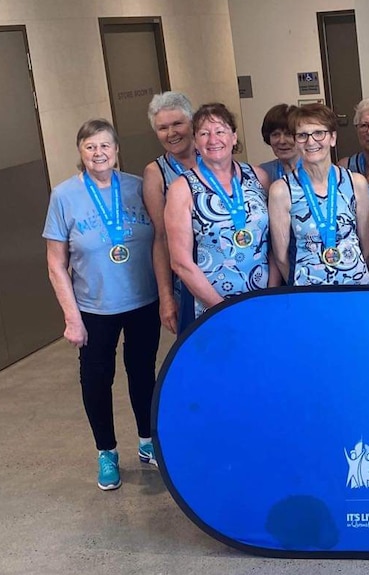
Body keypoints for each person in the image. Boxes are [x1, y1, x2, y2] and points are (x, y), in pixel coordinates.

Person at [43, 119, 161, 491]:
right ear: (80, 152)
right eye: (90, 147)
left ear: (116, 150)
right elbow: (55, 263)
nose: (99, 154)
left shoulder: (137, 188)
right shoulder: (64, 196)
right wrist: (71, 317)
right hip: (94, 307)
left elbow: (159, 238)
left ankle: (147, 442)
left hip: (142, 300)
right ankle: (106, 452)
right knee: (97, 379)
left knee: (143, 373)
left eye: (105, 146)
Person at [165, 103, 277, 329]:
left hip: (262, 301)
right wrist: (223, 310)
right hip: (211, 308)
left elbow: (273, 244)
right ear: (196, 142)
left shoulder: (259, 177)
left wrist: (270, 296)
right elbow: (181, 262)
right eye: (204, 133)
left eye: (220, 131)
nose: (212, 139)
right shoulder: (182, 189)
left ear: (234, 137)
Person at [269, 104, 369, 286]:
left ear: (332, 138)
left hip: (356, 289)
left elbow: (366, 246)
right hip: (309, 293)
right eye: (302, 135)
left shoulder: (356, 183)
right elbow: (282, 258)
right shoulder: (281, 190)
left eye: (319, 133)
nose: (311, 142)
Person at [142, 91, 198, 335]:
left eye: (177, 123)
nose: (171, 133)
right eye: (163, 127)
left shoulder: (215, 156)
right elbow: (161, 237)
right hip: (184, 280)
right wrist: (165, 297)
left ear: (192, 122)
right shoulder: (156, 173)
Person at [259, 103, 299, 185]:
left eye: (288, 134)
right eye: (275, 134)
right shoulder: (262, 173)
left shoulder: (315, 171)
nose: (282, 141)